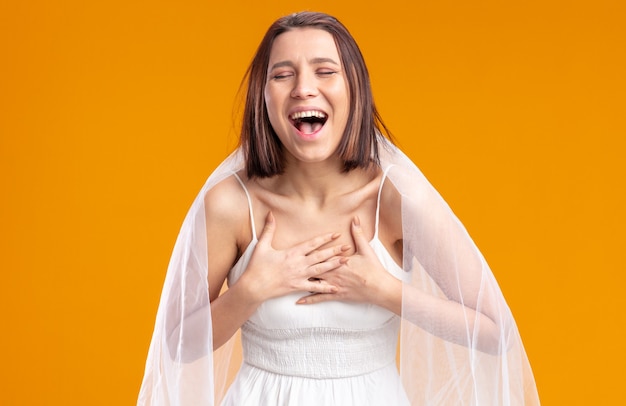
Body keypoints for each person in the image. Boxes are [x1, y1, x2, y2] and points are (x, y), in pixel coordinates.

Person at [138, 11, 539, 406]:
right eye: (282, 74)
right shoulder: (230, 205)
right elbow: (176, 345)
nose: (303, 89)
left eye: (325, 71)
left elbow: (495, 331)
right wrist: (251, 290)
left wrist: (383, 291)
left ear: (354, 89)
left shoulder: (396, 201)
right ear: (263, 95)